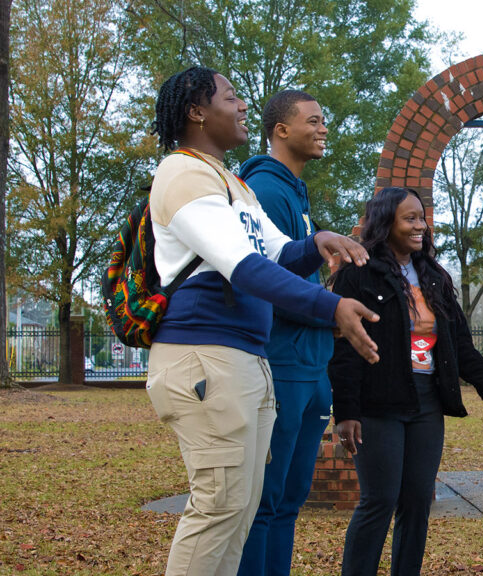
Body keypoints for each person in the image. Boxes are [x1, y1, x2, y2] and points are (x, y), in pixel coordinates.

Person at [145, 66, 380, 576]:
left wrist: (316, 242)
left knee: (242, 510)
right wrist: (331, 307)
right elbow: (244, 267)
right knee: (218, 508)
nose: (243, 105)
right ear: (197, 111)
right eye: (231, 97)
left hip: (246, 361)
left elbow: (275, 252)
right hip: (205, 357)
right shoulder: (183, 173)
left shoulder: (234, 185)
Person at [328, 187, 483, 576]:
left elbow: (458, 340)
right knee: (379, 500)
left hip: (427, 403)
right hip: (379, 405)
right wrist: (346, 411)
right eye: (409, 219)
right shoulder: (356, 275)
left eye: (422, 218)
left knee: (416, 501)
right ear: (384, 223)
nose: (420, 226)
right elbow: (344, 350)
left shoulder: (434, 276)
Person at [236, 90, 334, 575]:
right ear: (281, 130)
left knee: (291, 500)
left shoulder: (295, 190)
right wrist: (333, 310)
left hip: (312, 364)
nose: (322, 129)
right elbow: (269, 283)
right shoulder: (268, 190)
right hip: (285, 362)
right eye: (313, 121)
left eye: (324, 121)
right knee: (266, 501)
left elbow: (302, 274)